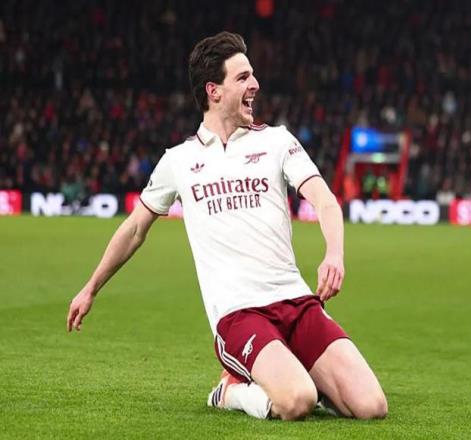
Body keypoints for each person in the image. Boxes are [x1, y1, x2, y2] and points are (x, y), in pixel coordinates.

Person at [67, 31, 387, 421]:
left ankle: (291, 372)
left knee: (371, 406)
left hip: (296, 301)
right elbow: (135, 229)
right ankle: (230, 391)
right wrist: (90, 288)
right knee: (297, 401)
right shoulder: (179, 161)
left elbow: (324, 200)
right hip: (239, 313)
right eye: (243, 77)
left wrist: (334, 254)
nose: (256, 85)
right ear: (213, 91)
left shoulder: (276, 141)